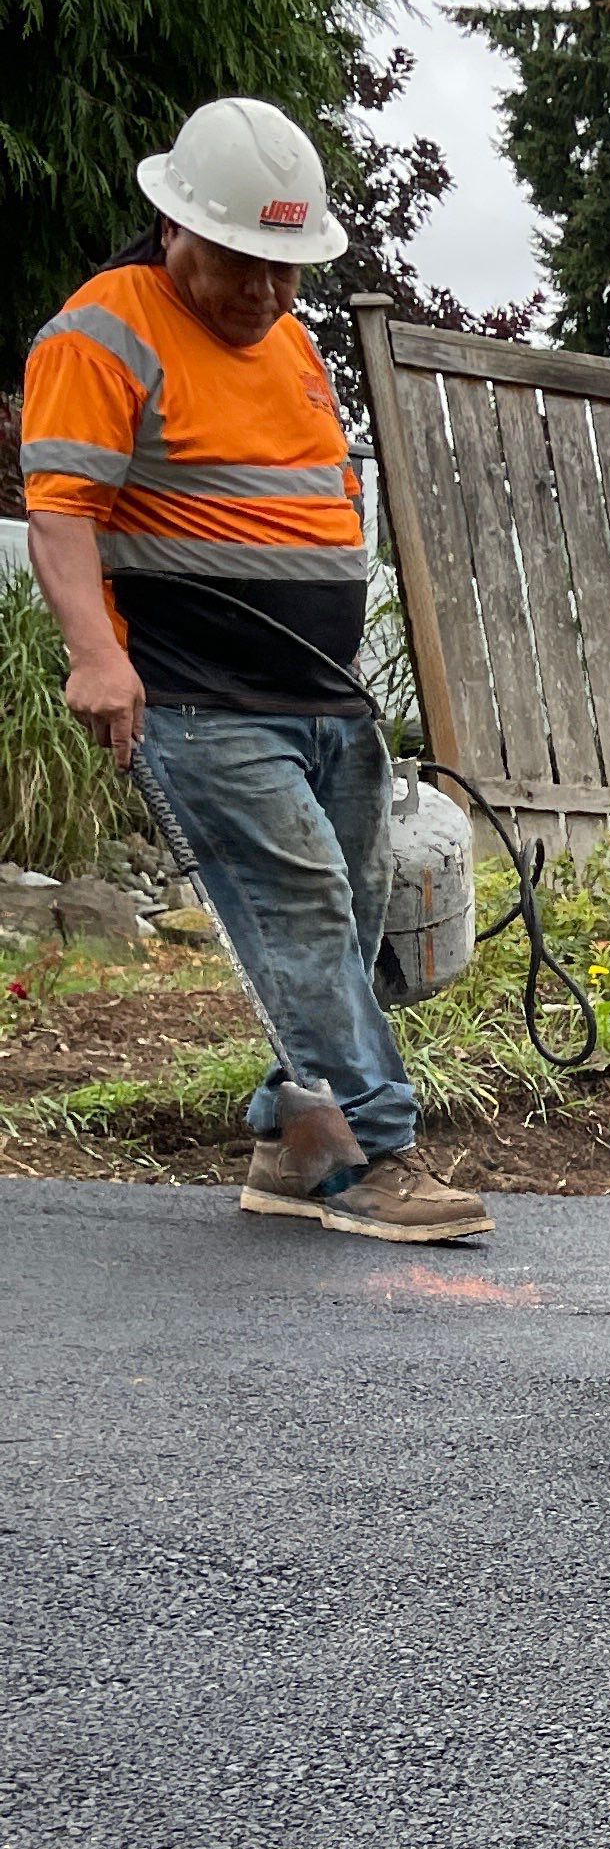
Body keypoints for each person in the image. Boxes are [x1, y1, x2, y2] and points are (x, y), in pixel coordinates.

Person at [20, 98, 489, 1242]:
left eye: (288, 270)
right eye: (243, 264)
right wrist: (96, 655)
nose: (268, 293)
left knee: (347, 925)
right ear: (175, 227)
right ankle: (376, 1157)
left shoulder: (289, 340)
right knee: (301, 913)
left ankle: (295, 1140)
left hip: (323, 698)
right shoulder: (100, 334)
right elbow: (61, 513)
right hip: (200, 702)